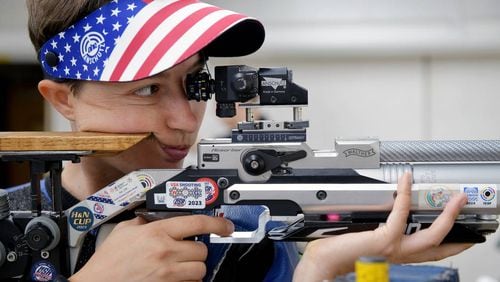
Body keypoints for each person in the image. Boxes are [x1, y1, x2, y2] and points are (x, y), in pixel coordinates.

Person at [6, 0, 471, 281]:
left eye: (196, 84)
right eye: (147, 89)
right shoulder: (7, 222)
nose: (185, 119)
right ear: (63, 100)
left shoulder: (247, 226)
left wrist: (316, 269)